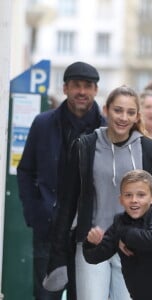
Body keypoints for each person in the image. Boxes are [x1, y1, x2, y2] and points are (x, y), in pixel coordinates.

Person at [43, 85, 152, 300]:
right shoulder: (85, 146)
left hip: (132, 247)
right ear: (106, 110)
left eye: (130, 112)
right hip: (93, 243)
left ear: (138, 116)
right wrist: (58, 252)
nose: (123, 117)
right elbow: (68, 201)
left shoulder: (149, 151)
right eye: (118, 110)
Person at [17, 61, 106, 300]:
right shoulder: (43, 124)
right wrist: (35, 212)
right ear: (65, 88)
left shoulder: (106, 129)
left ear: (96, 90)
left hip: (88, 235)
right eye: (76, 85)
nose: (82, 91)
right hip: (48, 229)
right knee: (45, 296)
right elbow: (25, 171)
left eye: (88, 86)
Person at [83, 169, 152, 300]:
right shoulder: (120, 222)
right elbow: (95, 257)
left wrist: (123, 235)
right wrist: (91, 244)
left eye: (141, 195)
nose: (134, 200)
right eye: (128, 195)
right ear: (121, 199)